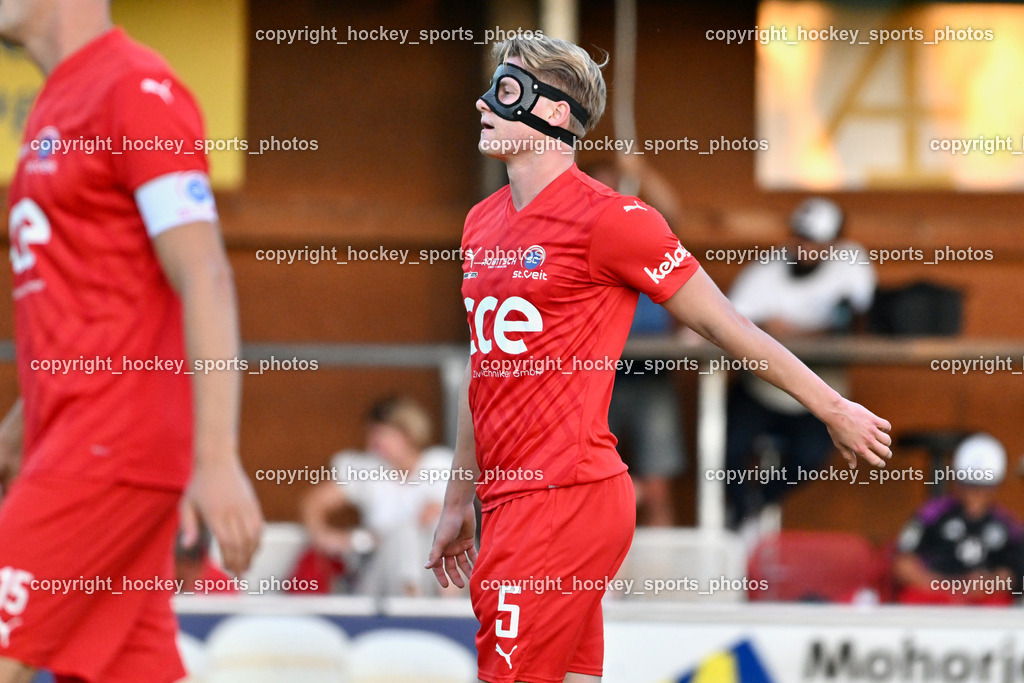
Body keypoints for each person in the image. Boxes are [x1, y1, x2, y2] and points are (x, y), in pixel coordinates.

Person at [426, 35, 892, 683]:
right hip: (510, 501)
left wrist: (833, 406)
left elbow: (728, 324)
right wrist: (459, 496)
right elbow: (487, 365)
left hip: (567, 496)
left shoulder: (614, 220)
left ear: (555, 113)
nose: (483, 103)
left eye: (505, 91)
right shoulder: (481, 223)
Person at [0, 2, 263, 681]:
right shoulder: (55, 104)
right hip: (77, 443)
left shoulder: (132, 88)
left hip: (109, 449)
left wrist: (217, 456)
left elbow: (203, 271)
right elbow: (100, 302)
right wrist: (19, 429)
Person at [725, 197, 876, 527]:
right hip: (763, 390)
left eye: (814, 241)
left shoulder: (851, 265)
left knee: (811, 455)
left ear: (833, 243)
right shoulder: (764, 271)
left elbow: (854, 325)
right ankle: (739, 512)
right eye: (800, 238)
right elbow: (731, 327)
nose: (804, 248)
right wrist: (799, 332)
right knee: (727, 445)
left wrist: (786, 332)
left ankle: (756, 505)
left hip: (820, 397)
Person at [300, 397, 452, 596]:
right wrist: (325, 537)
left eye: (382, 434)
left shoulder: (440, 464)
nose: (374, 441)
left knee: (442, 532)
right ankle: (413, 610)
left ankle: (446, 610)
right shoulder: (368, 470)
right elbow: (314, 502)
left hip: (436, 578)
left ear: (407, 434)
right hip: (381, 579)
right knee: (403, 538)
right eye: (372, 433)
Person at [893, 433, 1024, 605]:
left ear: (995, 488)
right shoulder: (930, 515)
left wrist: (987, 583)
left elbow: (1014, 575)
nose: (975, 496)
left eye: (983, 488)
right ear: (957, 484)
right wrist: (945, 588)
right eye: (969, 486)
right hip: (934, 598)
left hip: (984, 605)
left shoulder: (1008, 526)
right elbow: (903, 564)